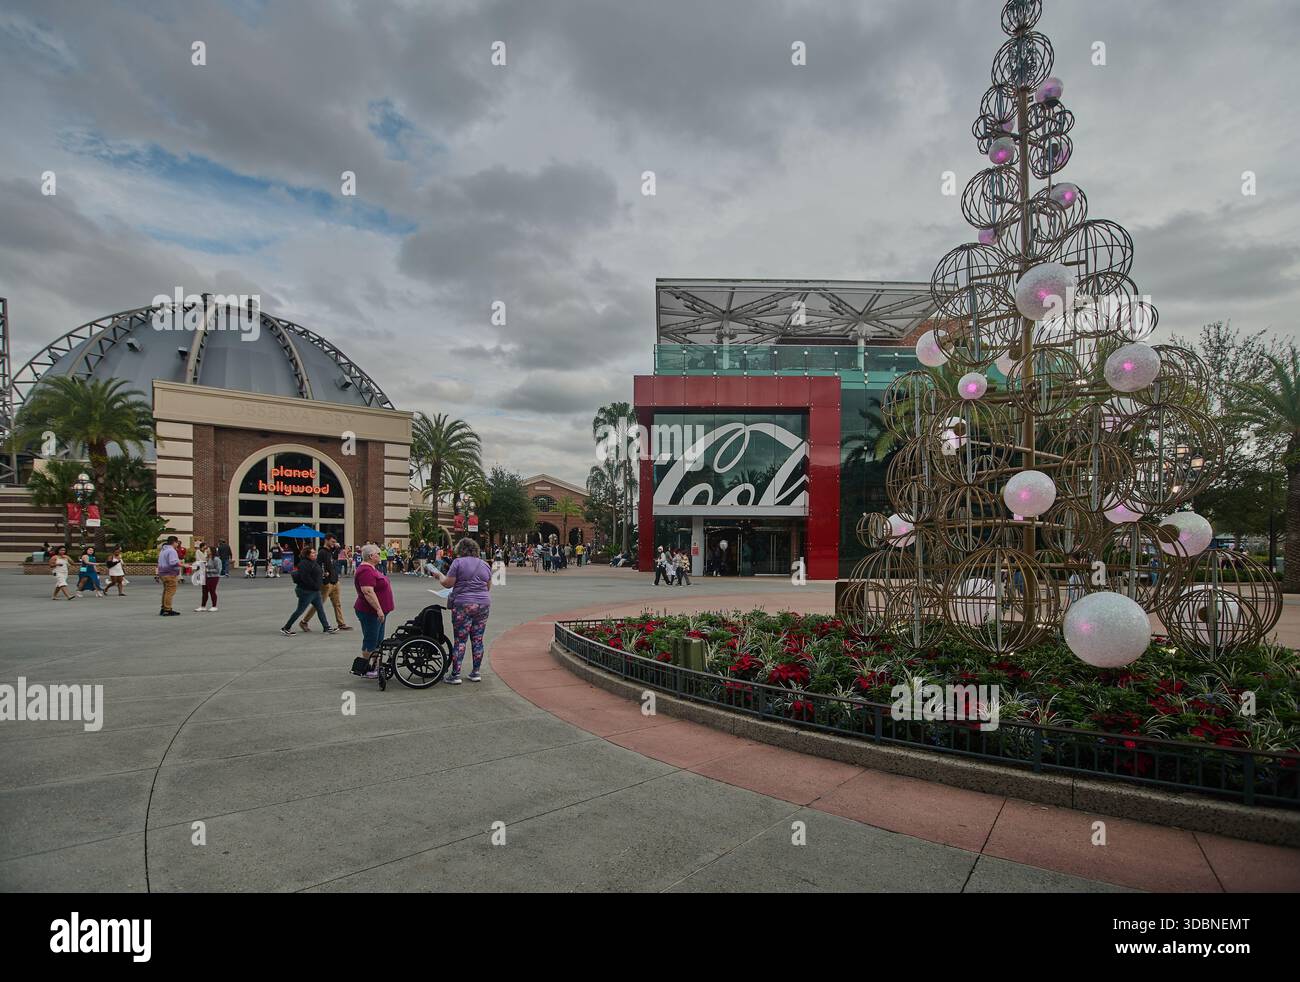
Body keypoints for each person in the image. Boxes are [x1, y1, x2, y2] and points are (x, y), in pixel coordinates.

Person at [436, 537, 492, 684]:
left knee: (460, 640)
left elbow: (448, 584)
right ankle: (476, 672)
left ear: (460, 549)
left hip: (463, 605)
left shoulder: (458, 562)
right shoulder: (485, 564)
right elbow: (488, 587)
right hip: (483, 604)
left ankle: (455, 674)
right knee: (478, 639)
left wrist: (439, 576)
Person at [353, 542, 394, 678]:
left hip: (377, 611)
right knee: (371, 640)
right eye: (378, 553)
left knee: (378, 640)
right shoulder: (365, 570)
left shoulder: (371, 568)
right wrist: (379, 610)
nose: (380, 555)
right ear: (371, 556)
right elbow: (368, 592)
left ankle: (374, 665)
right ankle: (367, 668)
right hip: (370, 611)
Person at [279, 546, 336, 636]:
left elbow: (315, 573)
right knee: (300, 610)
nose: (315, 554)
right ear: (307, 555)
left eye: (315, 552)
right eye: (313, 553)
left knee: (320, 609)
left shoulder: (313, 562)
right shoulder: (304, 564)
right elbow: (305, 577)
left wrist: (323, 575)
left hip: (315, 591)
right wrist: (314, 585)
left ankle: (326, 627)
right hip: (307, 591)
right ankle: (286, 628)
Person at [301, 535, 352, 631]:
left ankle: (341, 623)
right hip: (326, 583)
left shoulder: (330, 552)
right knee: (318, 604)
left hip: (335, 581)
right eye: (332, 541)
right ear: (326, 541)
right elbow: (317, 566)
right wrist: (323, 576)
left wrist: (337, 548)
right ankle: (304, 621)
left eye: (334, 542)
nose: (334, 543)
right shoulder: (322, 552)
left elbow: (334, 560)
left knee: (337, 604)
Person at [158, 536, 182, 615]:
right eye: (177, 542)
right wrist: (183, 565)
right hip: (170, 574)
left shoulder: (163, 550)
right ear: (174, 542)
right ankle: (167, 609)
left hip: (162, 573)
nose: (177, 544)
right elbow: (173, 562)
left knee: (166, 591)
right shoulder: (172, 551)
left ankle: (164, 608)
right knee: (170, 591)